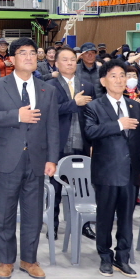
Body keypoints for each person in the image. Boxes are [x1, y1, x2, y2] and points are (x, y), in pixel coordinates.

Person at [0, 37, 60, 279]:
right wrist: (16, 115)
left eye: (32, 53)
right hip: (7, 158)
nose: (29, 57)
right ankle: (6, 261)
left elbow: (53, 128)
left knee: (33, 214)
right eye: (23, 53)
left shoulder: (48, 90)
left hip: (36, 160)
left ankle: (29, 259)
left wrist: (52, 159)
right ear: (12, 59)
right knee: (4, 213)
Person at [83, 60, 140, 278]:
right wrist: (119, 125)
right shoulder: (94, 106)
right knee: (104, 217)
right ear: (103, 81)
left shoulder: (136, 106)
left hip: (131, 172)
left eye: (122, 75)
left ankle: (123, 258)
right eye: (114, 76)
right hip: (106, 171)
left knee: (126, 218)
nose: (120, 79)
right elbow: (90, 133)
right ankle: (105, 257)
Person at [48, 46, 96, 237]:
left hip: (81, 143)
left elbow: (92, 115)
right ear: (57, 64)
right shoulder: (49, 86)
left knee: (82, 188)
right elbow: (47, 113)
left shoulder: (87, 85)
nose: (69, 63)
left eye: (71, 60)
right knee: (55, 188)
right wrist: (72, 104)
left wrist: (91, 143)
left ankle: (84, 225)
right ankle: (52, 225)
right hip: (58, 143)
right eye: (65, 60)